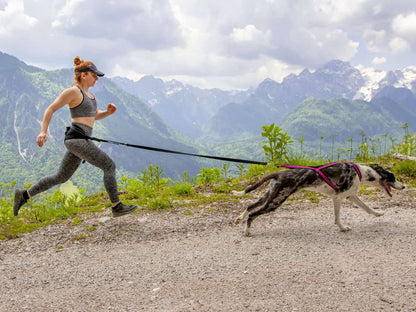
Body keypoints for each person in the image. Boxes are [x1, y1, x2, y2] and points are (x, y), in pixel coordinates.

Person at [13, 56, 137, 217]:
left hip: (80, 140)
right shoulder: (73, 92)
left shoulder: (90, 95)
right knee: (109, 165)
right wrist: (43, 131)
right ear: (84, 75)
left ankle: (23, 195)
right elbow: (51, 108)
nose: (97, 79)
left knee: (61, 176)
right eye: (94, 75)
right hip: (76, 139)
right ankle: (117, 206)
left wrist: (107, 112)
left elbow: (93, 115)